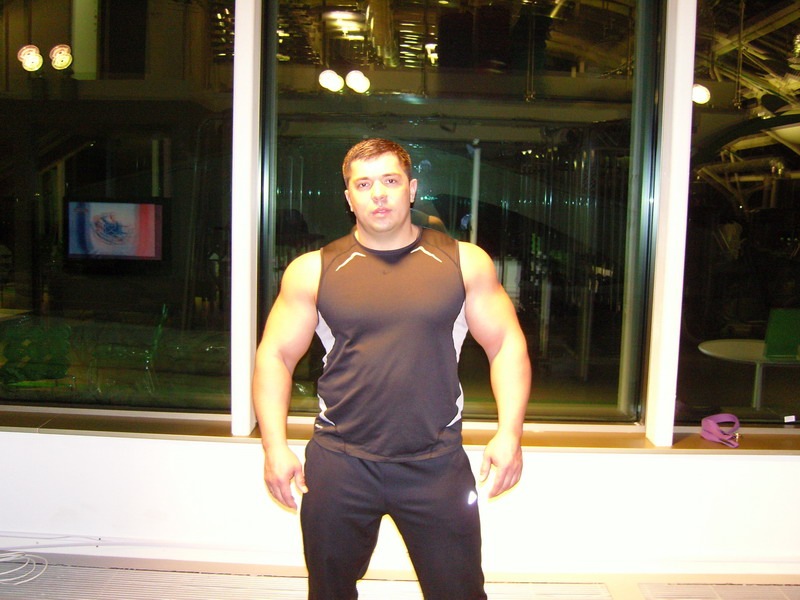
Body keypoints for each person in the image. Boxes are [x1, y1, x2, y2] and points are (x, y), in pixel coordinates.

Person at [252, 138, 531, 600]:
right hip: (340, 462)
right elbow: (275, 356)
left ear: (412, 188)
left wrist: (510, 433)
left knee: (460, 592)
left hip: (435, 463)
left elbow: (505, 344)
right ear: (348, 197)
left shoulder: (463, 262)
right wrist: (273, 447)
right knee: (329, 592)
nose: (378, 194)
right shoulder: (313, 270)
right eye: (363, 184)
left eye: (390, 180)